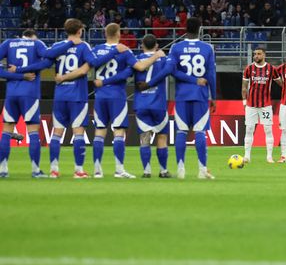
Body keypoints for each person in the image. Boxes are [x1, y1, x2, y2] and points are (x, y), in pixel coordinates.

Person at [14, 19, 125, 178]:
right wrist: (114, 52)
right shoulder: (84, 46)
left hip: (60, 95)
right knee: (78, 132)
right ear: (80, 30)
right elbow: (94, 62)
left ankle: (54, 169)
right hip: (77, 96)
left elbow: (44, 62)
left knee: (57, 133)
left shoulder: (58, 47)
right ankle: (79, 170)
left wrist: (20, 70)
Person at [83, 24, 164, 178]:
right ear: (118, 33)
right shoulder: (125, 50)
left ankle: (97, 170)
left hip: (100, 95)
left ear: (105, 33)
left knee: (100, 131)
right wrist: (156, 56)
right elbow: (140, 67)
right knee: (119, 131)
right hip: (117, 95)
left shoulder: (97, 49)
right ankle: (119, 170)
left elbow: (91, 65)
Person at [0, 30, 72, 178]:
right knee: (33, 131)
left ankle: (3, 170)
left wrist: (17, 74)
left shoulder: (8, 43)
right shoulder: (36, 44)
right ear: (33, 36)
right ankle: (35, 170)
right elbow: (49, 58)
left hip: (11, 94)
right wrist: (71, 42)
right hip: (30, 94)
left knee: (6, 131)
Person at [135, 34, 200, 178]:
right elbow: (174, 72)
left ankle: (146, 171)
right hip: (158, 103)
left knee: (144, 138)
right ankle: (163, 170)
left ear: (142, 45)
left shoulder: (136, 60)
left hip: (141, 103)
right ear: (157, 45)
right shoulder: (164, 60)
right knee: (162, 137)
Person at [167, 17, 217, 179]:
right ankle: (202, 170)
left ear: (185, 28)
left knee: (181, 131)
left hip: (182, 95)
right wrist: (214, 96)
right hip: (201, 95)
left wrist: (189, 80)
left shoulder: (176, 47)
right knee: (200, 132)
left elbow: (172, 71)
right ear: (199, 29)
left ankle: (181, 169)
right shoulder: (207, 48)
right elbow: (211, 75)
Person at [242, 47, 281, 163]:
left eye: (258, 54)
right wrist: (244, 102)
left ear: (264, 55)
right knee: (249, 129)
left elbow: (281, 83)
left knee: (268, 129)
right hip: (251, 105)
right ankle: (247, 156)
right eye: (255, 54)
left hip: (265, 105)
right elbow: (244, 87)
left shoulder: (271, 69)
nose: (256, 56)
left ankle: (269, 157)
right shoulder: (249, 69)